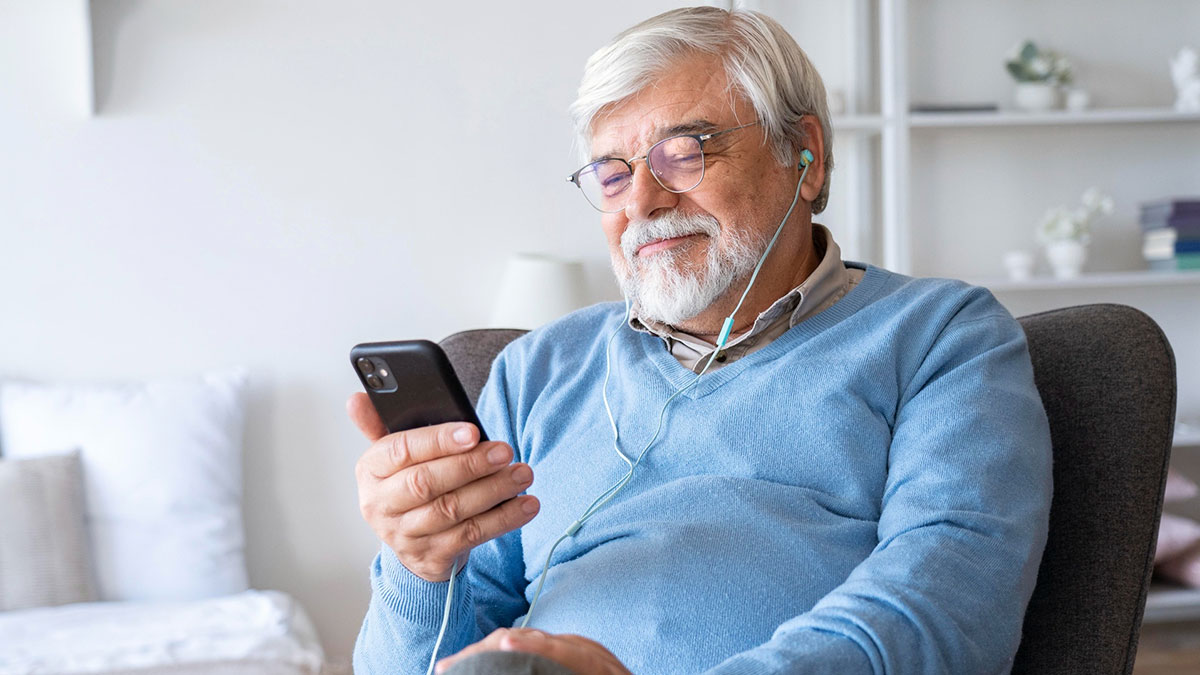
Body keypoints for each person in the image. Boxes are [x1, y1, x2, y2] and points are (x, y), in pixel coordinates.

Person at [349, 6, 1052, 674]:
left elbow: (945, 611)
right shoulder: (537, 369)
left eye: (684, 153)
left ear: (804, 154)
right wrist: (418, 567)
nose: (642, 201)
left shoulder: (942, 337)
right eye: (613, 174)